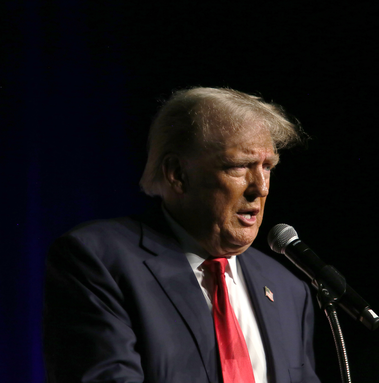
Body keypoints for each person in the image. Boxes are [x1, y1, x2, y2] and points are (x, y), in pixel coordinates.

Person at [43, 87, 321, 383]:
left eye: (268, 167)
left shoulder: (288, 289)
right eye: (239, 166)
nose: (261, 188)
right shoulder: (99, 261)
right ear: (177, 173)